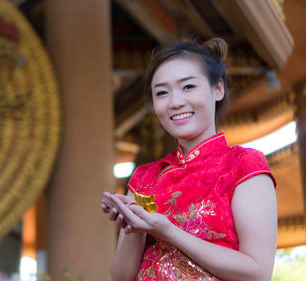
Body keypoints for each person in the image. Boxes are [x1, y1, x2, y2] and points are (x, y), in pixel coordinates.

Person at [101, 38, 277, 281]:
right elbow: (121, 277)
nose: (175, 102)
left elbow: (257, 273)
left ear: (218, 89)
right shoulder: (145, 177)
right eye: (162, 92)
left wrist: (167, 231)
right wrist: (136, 228)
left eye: (188, 87)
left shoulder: (244, 166)